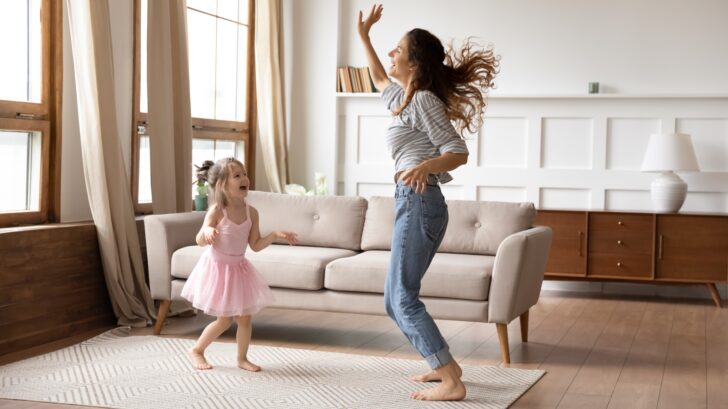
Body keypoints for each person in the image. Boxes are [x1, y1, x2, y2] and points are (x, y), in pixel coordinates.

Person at [357, 4, 499, 401]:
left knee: (402, 297)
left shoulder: (422, 102)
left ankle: (452, 382)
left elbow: (457, 151)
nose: (391, 55)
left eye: (398, 49)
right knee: (393, 299)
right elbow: (378, 77)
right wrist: (364, 37)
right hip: (411, 201)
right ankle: (447, 367)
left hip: (421, 201)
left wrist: (426, 166)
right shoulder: (403, 99)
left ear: (415, 62)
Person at [181, 158, 298, 371]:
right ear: (222, 185)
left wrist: (274, 235)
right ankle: (197, 350)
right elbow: (199, 239)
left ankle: (242, 358)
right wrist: (206, 232)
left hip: (239, 269)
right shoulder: (217, 210)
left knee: (245, 318)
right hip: (218, 269)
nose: (244, 178)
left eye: (244, 173)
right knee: (224, 321)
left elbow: (255, 245)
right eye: (237, 176)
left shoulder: (251, 212)